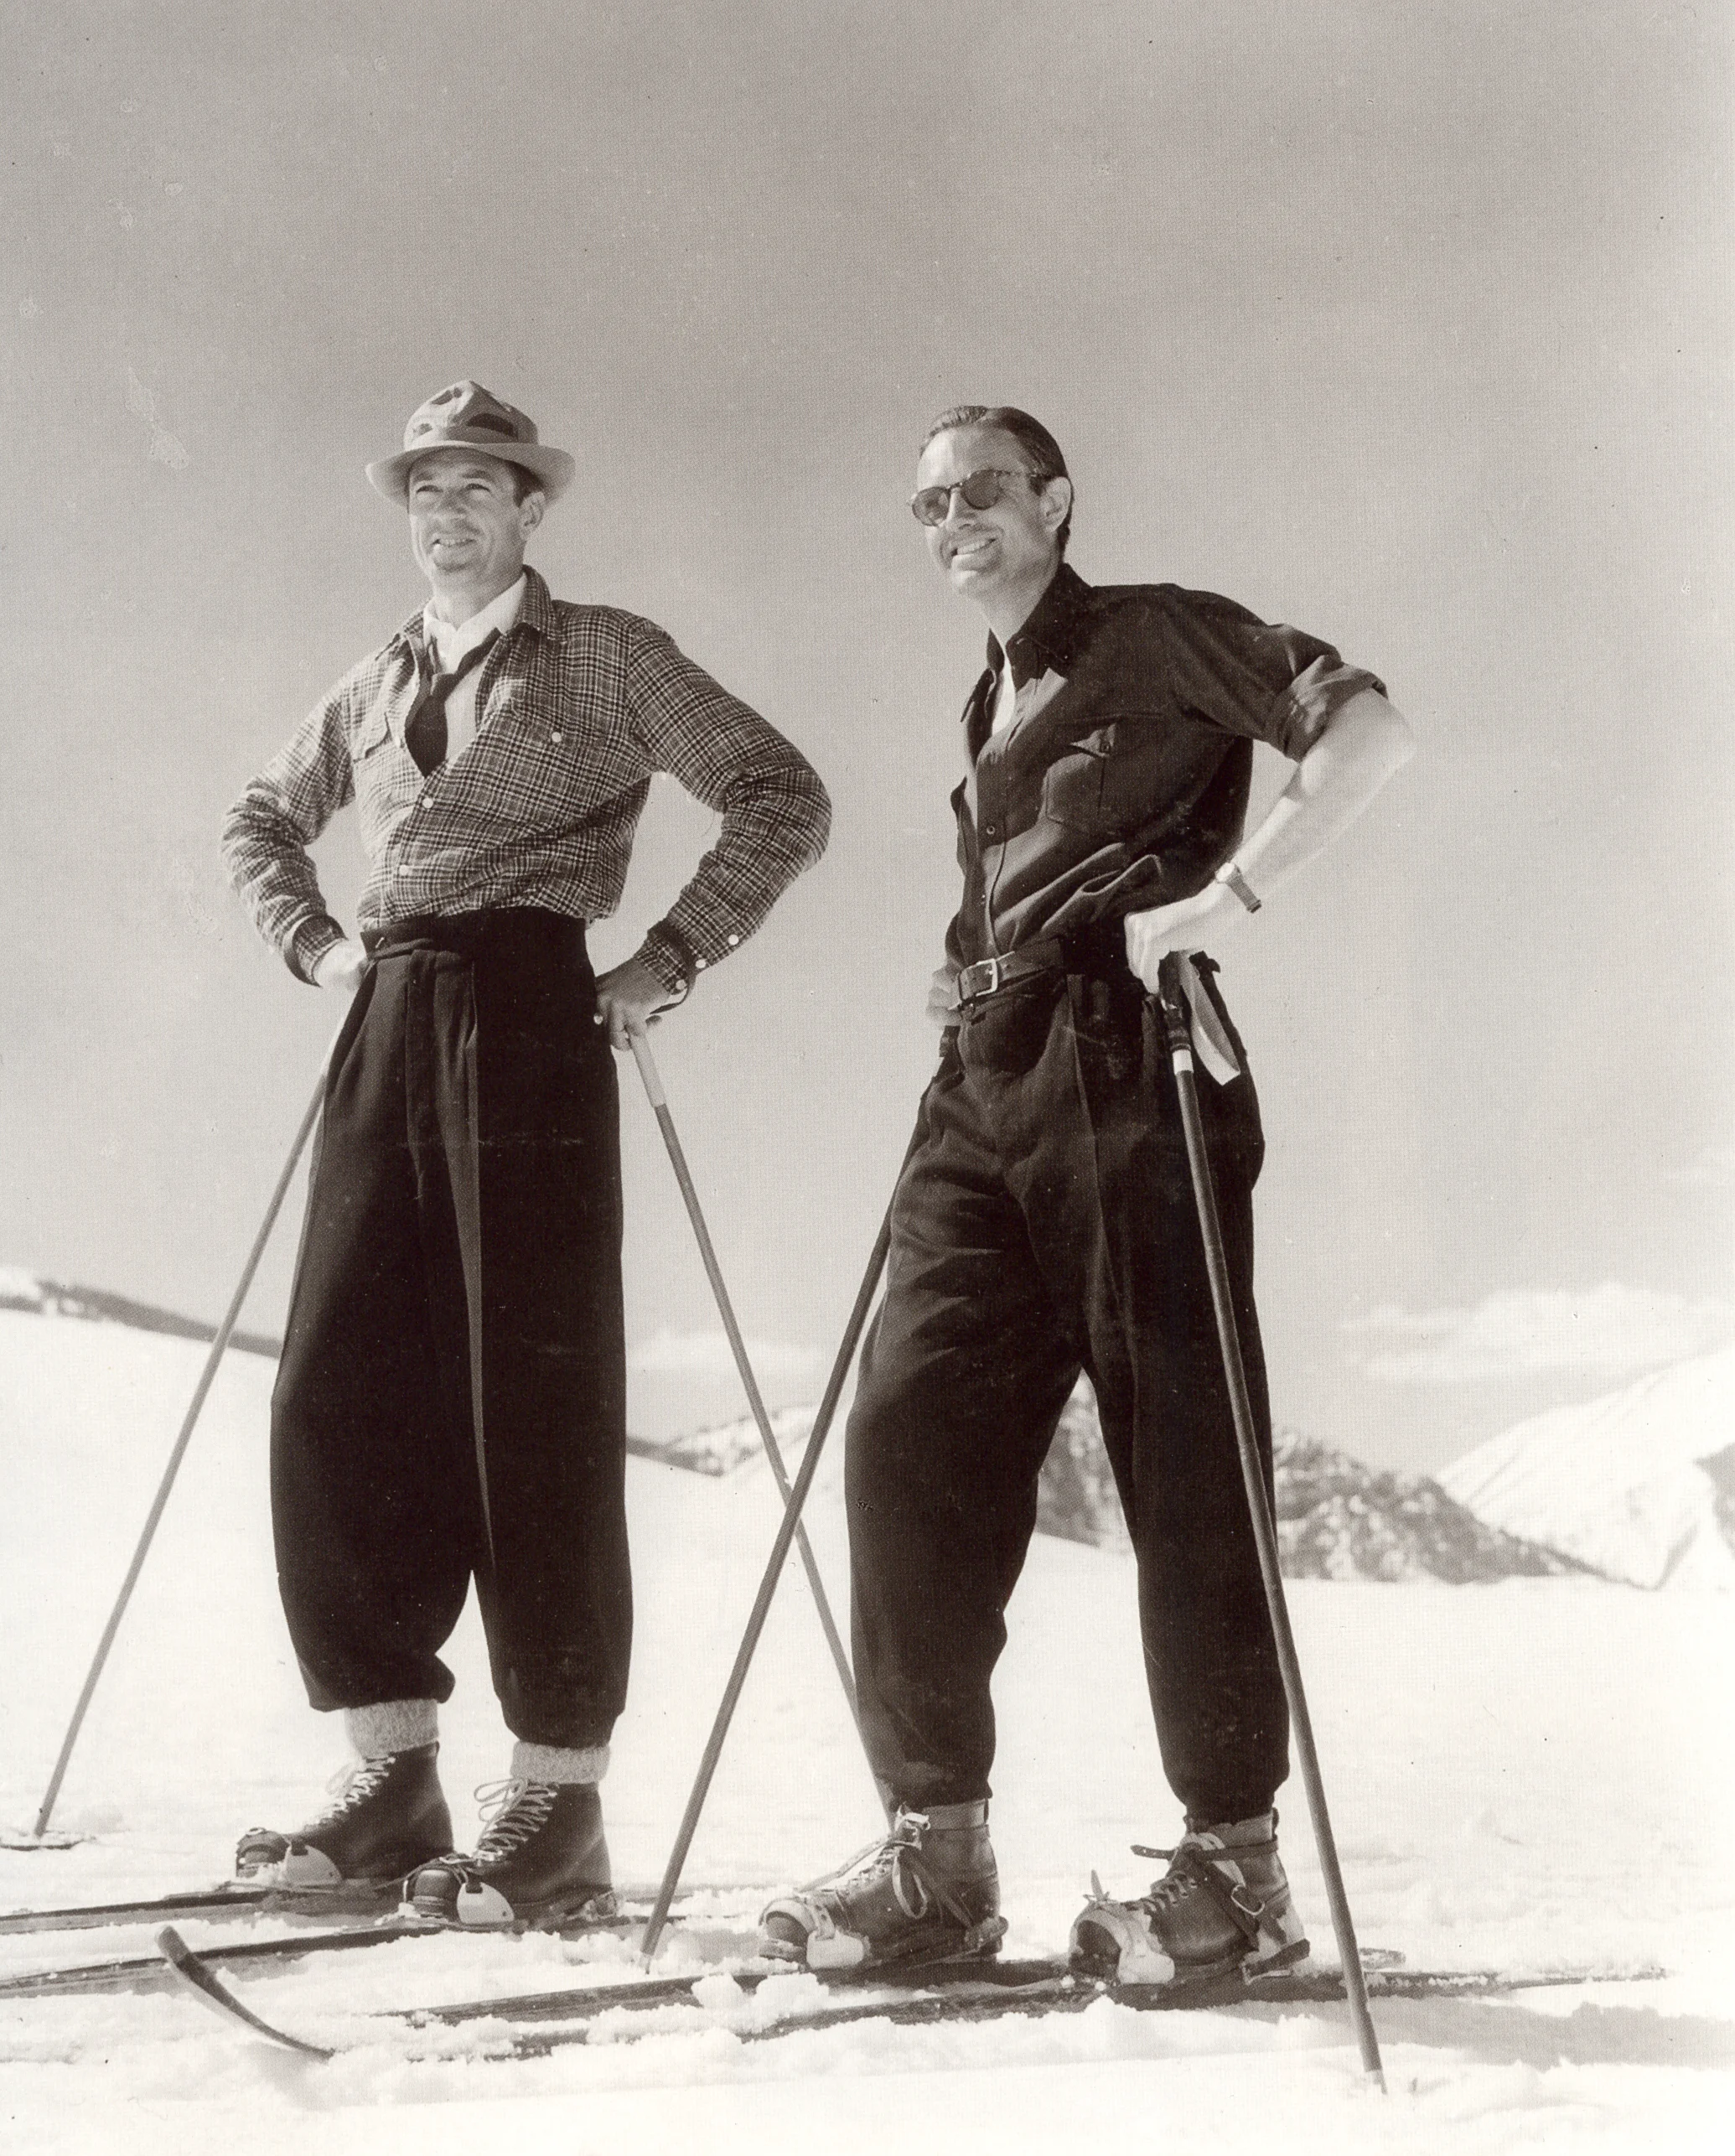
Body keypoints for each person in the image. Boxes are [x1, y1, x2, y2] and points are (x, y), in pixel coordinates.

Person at [759, 405, 1411, 1980]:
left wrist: (1228, 898)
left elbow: (1367, 727)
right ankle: (936, 1860)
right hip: (982, 1072)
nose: (952, 520)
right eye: (925, 505)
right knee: (905, 1433)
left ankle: (1238, 1876)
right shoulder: (986, 695)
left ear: (1054, 499)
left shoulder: (1156, 631)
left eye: (982, 490)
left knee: (1180, 1452)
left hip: (1127, 1054)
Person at [222, 381, 829, 1925]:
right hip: (386, 1008)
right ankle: (391, 1781)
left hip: (531, 1008)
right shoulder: (376, 678)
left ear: (530, 508)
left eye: (477, 486)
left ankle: (554, 1803)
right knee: (335, 1391)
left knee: (530, 1398)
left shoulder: (606, 651)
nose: (446, 511)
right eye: (423, 488)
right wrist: (313, 951)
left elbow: (780, 793)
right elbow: (259, 821)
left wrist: (670, 958)